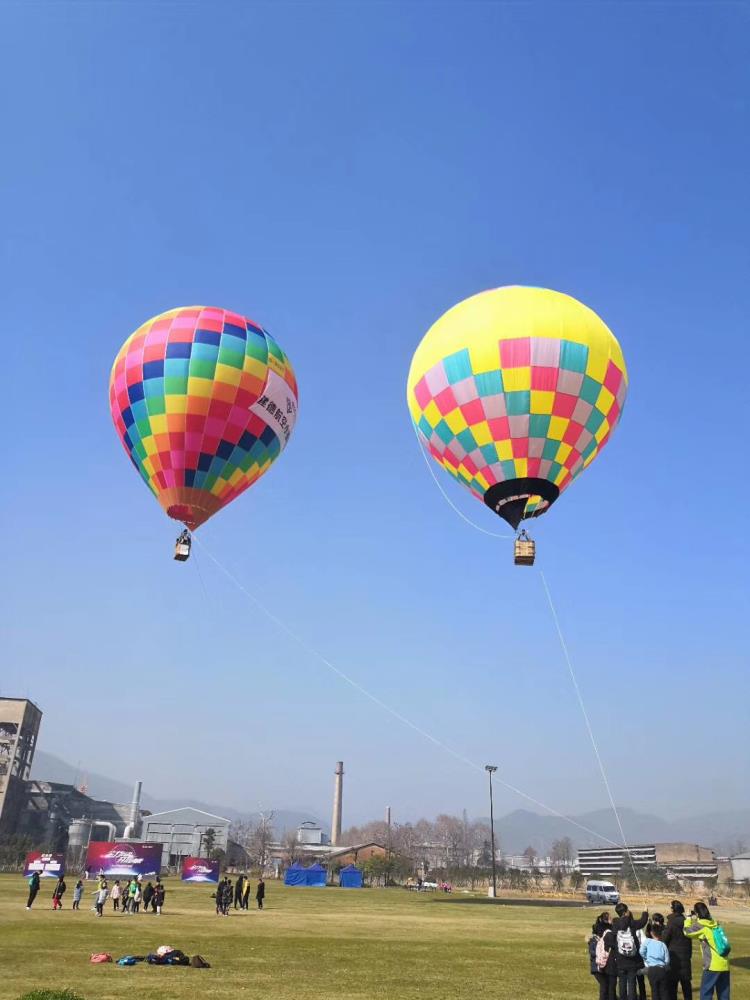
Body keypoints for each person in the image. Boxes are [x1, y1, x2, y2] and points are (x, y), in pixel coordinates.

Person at [684, 901, 730, 1000]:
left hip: (712, 965)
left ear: (696, 914)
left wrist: (688, 918)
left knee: (706, 993)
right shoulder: (715, 924)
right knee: (724, 995)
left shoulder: (701, 925)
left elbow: (686, 932)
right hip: (724, 964)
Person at [612, 902, 650, 1000]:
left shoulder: (615, 924)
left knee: (622, 983)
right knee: (632, 983)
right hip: (633, 959)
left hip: (620, 958)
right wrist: (645, 911)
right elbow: (643, 921)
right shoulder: (632, 923)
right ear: (625, 912)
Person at [664, 900, 693, 1000]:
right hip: (685, 956)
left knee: (672, 986)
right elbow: (689, 940)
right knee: (686, 985)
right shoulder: (686, 921)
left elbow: (665, 939)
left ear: (673, 909)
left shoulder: (671, 922)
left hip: (674, 956)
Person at [588, 912, 617, 1000]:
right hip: (598, 967)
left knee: (607, 985)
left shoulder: (597, 938)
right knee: (605, 986)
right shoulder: (595, 940)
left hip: (602, 966)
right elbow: (593, 953)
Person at [640, 921, 670, 1000]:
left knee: (654, 990)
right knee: (664, 991)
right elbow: (667, 959)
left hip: (652, 969)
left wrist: (646, 958)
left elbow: (641, 951)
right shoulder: (663, 944)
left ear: (651, 933)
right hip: (661, 969)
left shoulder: (648, 941)